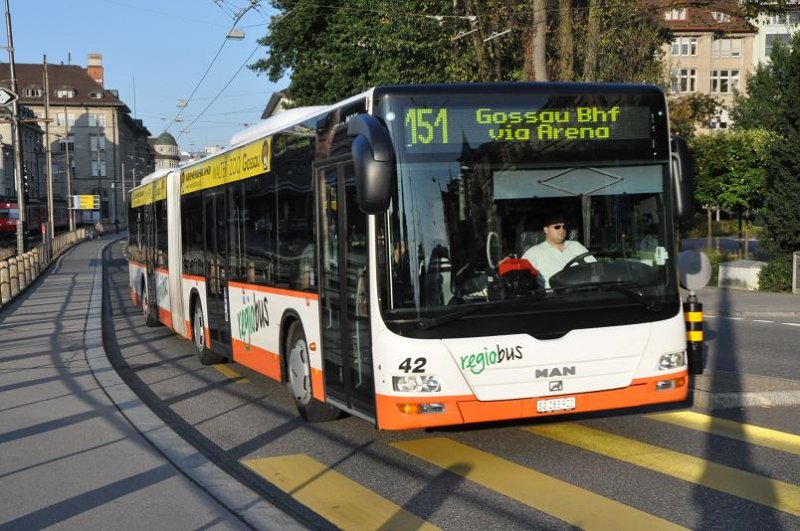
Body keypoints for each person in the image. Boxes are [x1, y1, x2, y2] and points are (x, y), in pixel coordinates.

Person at [522, 213, 594, 288]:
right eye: (557, 227)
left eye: (564, 227)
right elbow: (521, 274)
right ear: (546, 230)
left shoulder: (576, 246)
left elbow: (594, 268)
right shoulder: (534, 252)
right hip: (553, 294)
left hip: (583, 291)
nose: (562, 230)